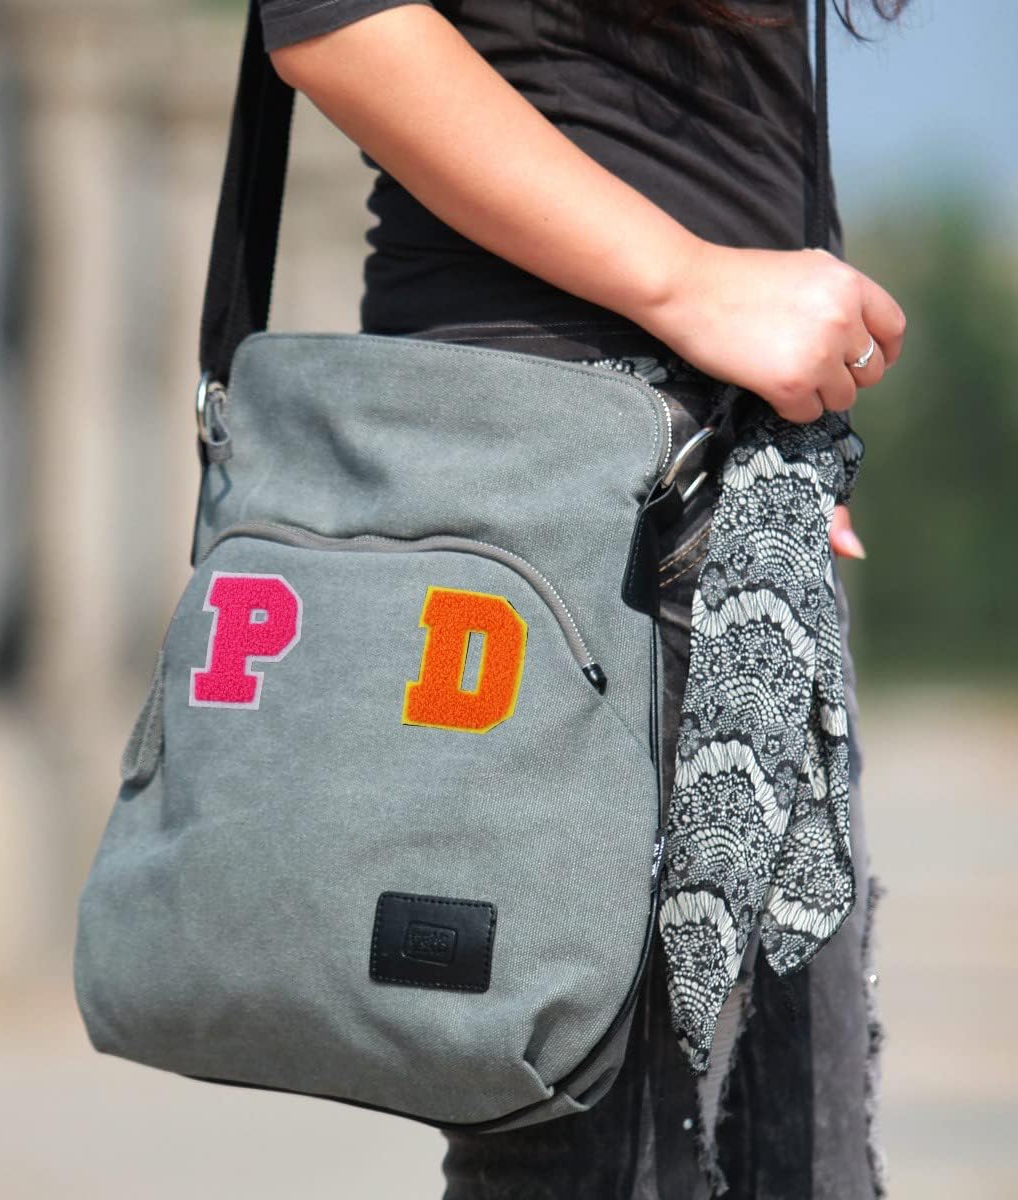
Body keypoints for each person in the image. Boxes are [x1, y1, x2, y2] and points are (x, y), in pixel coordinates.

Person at [256, 0, 908, 1194]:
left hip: (727, 472)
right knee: (607, 1154)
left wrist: (783, 405)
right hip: (570, 473)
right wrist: (693, 285)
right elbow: (332, 19)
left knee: (781, 1151)